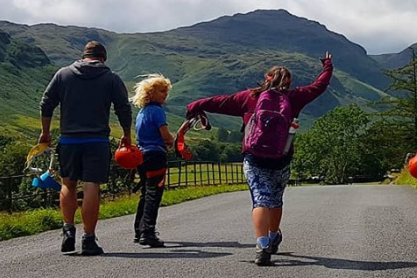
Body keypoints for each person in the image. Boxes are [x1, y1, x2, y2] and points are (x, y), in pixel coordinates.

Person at [185, 52, 333, 266]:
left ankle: (262, 245)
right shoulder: (295, 98)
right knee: (275, 198)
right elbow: (319, 86)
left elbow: (218, 102)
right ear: (289, 83)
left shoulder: (248, 97)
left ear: (267, 78)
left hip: (253, 157)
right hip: (281, 157)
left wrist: (194, 107)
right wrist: (327, 65)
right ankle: (273, 236)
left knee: (260, 199)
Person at [39, 41, 132, 255]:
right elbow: (123, 109)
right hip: (97, 141)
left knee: (68, 184)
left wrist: (45, 132)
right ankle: (88, 239)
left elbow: (46, 102)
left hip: (69, 140)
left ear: (84, 56)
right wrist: (126, 135)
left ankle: (68, 231)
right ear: (102, 58)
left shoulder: (63, 75)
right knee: (92, 186)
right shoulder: (111, 78)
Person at [131, 74, 175, 248]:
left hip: (142, 155)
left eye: (166, 91)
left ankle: (138, 229)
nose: (165, 95)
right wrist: (172, 141)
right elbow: (165, 135)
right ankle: (148, 232)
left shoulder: (142, 112)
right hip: (156, 155)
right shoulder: (157, 111)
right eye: (162, 91)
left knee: (145, 192)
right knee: (154, 194)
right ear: (151, 92)